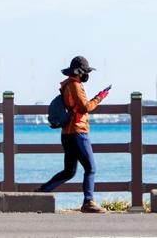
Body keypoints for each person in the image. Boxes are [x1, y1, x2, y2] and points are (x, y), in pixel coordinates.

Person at [37, 55, 110, 214]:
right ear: (79, 72)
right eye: (85, 72)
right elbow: (85, 107)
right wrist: (100, 97)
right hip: (78, 132)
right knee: (91, 168)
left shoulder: (67, 85)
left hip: (67, 133)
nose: (87, 75)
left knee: (69, 171)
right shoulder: (75, 85)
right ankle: (88, 202)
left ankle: (41, 193)